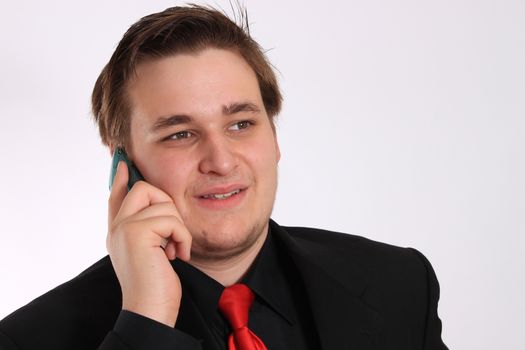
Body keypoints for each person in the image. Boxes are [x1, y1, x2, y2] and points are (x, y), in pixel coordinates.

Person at [0, 4, 448, 350]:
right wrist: (147, 321)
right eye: (180, 133)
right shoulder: (28, 339)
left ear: (273, 137)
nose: (221, 160)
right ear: (122, 164)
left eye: (240, 124)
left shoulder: (400, 283)